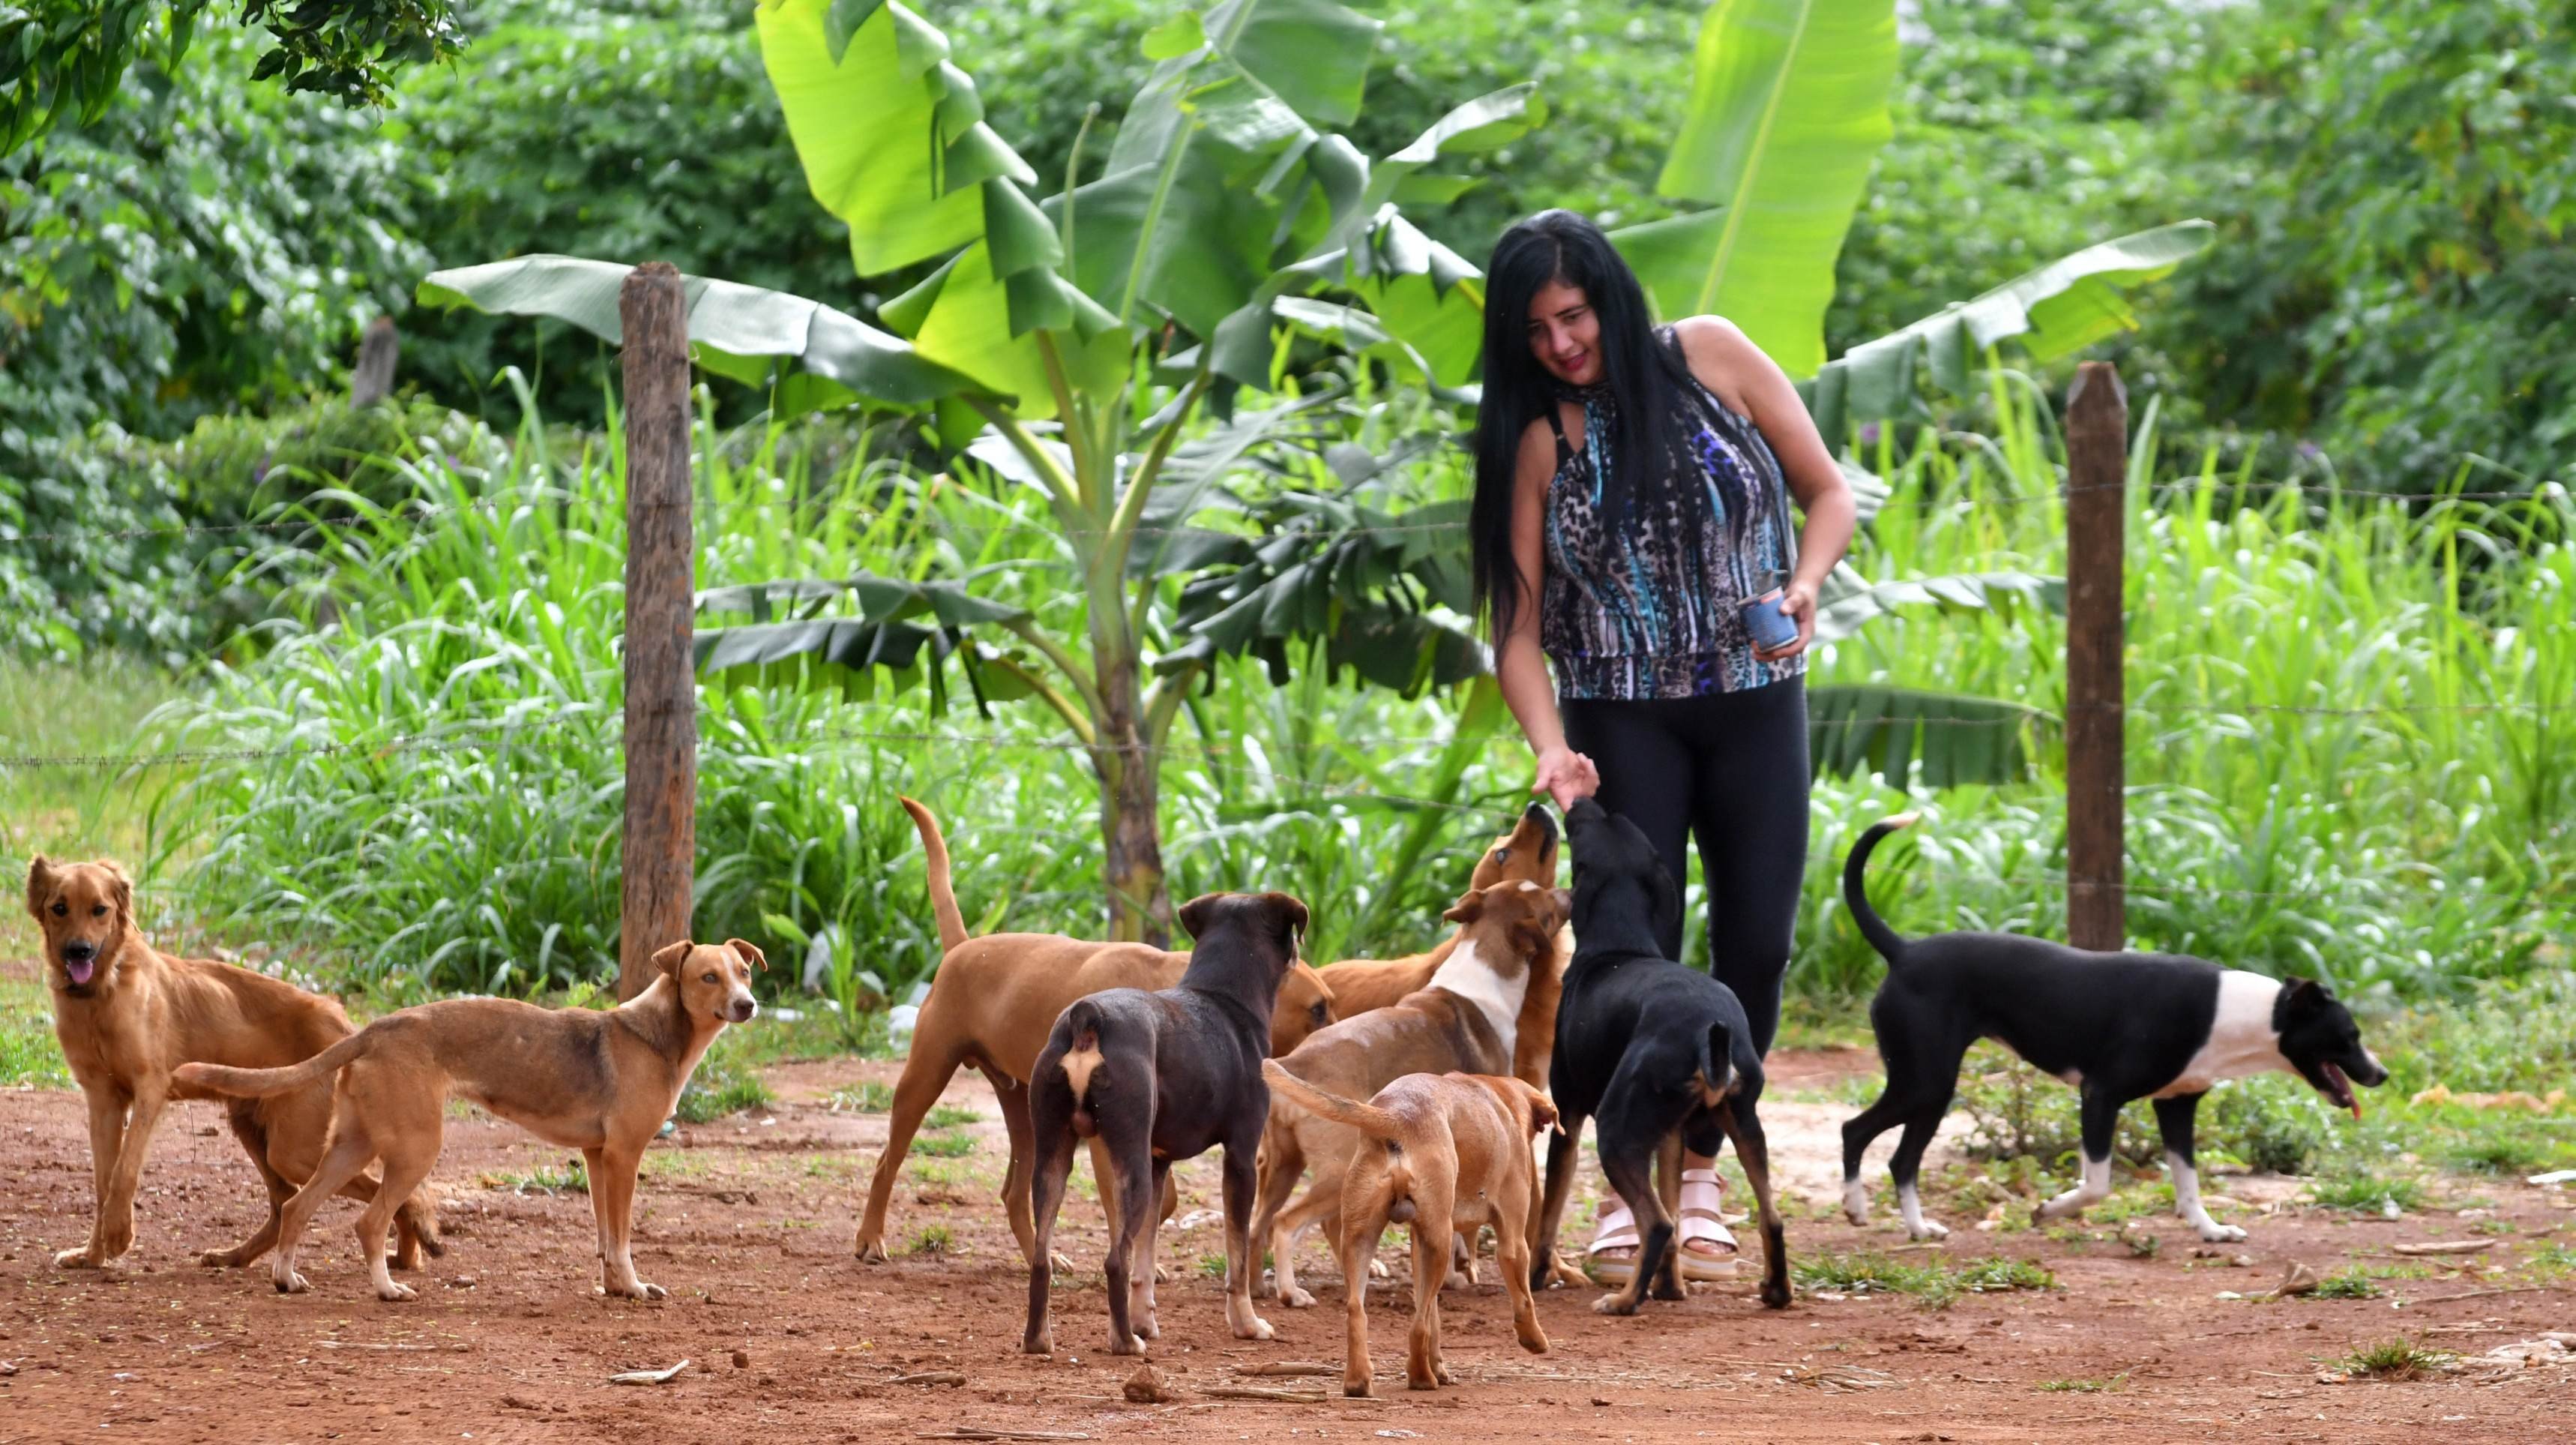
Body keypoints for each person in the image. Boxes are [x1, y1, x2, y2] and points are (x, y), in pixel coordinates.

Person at [1467, 209, 1857, 1285]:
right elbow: (1516, 630)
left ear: (1610, 297)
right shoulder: (1537, 437)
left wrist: (1805, 584)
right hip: (1621, 716)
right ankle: (1620, 1183)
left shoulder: (1714, 357)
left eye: (1574, 315)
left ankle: (1700, 1178)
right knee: (1631, 955)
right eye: (1535, 329)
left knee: (1757, 946)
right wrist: (1551, 749)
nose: (1560, 343)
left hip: (1756, 701)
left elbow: (1828, 493)